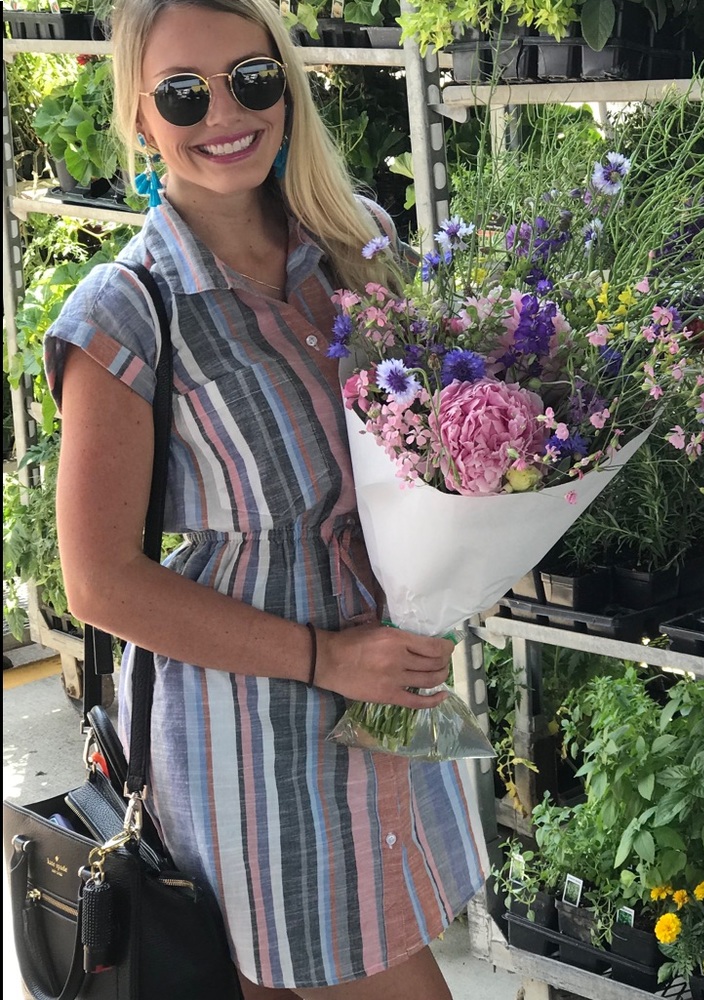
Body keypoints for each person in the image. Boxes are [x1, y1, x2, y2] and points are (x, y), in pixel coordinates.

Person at [43, 1, 484, 996]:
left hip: (386, 701)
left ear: (286, 85)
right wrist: (327, 657)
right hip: (251, 743)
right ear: (141, 119)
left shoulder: (355, 242)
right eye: (183, 94)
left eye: (250, 78)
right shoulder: (127, 314)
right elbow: (98, 581)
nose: (223, 114)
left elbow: (426, 445)